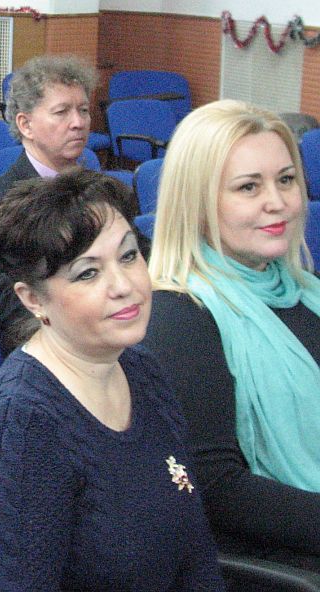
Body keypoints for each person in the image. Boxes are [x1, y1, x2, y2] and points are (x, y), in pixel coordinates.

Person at [0, 170, 225, 591]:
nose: (124, 285)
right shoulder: (20, 426)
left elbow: (194, 551)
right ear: (33, 299)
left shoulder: (141, 370)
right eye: (88, 273)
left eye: (128, 256)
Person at [143, 99, 320, 571]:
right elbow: (216, 488)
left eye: (286, 180)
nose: (277, 202)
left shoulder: (305, 292)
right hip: (279, 558)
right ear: (198, 203)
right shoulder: (179, 316)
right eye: (248, 187)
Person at [0, 55, 97, 357]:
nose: (78, 122)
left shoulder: (100, 191)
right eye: (62, 112)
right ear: (25, 124)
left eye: (83, 110)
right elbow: (5, 303)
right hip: (49, 347)